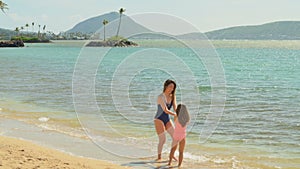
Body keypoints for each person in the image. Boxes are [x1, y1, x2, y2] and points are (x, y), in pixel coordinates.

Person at [154, 79, 177, 161]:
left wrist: (179, 114)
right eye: (170, 87)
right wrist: (175, 114)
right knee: (162, 140)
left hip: (167, 119)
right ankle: (159, 157)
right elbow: (165, 110)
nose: (171, 89)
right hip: (159, 119)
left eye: (173, 88)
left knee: (176, 138)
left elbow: (175, 107)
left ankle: (172, 155)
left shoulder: (172, 97)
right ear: (166, 86)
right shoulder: (160, 97)